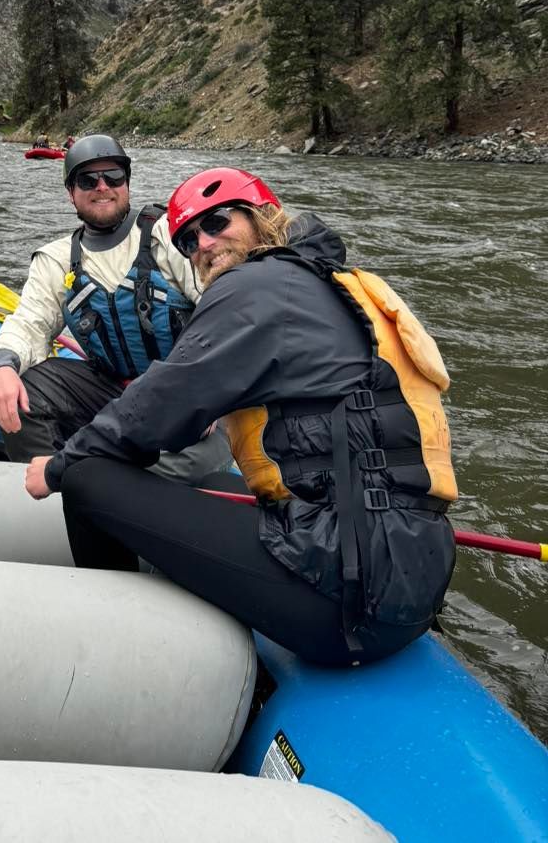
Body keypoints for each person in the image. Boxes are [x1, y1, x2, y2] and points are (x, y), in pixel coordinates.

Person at [24, 167, 457, 667]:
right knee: (210, 479)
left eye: (218, 222)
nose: (203, 245)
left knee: (86, 476)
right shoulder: (331, 281)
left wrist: (56, 468)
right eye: (188, 239)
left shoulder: (253, 284)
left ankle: (110, 648)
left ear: (262, 217)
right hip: (407, 570)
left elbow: (153, 412)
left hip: (344, 594)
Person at [0, 134, 231, 482]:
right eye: (88, 180)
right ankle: (57, 494)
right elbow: (29, 324)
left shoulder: (169, 234)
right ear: (71, 192)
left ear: (126, 184)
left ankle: (105, 484)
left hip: (185, 390)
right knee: (27, 388)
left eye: (113, 177)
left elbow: (220, 307)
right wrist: (1, 366)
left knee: (192, 459)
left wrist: (205, 390)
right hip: (113, 391)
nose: (102, 187)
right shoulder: (56, 260)